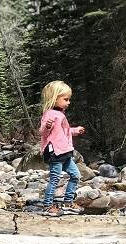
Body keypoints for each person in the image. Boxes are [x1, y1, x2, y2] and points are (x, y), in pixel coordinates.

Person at [39, 80, 86, 216]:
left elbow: (62, 132)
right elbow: (43, 132)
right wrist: (46, 126)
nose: (68, 102)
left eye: (68, 99)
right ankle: (47, 205)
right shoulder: (49, 114)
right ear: (54, 98)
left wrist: (75, 131)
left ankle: (68, 202)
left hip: (65, 152)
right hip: (55, 152)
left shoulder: (60, 114)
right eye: (65, 99)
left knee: (75, 175)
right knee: (55, 178)